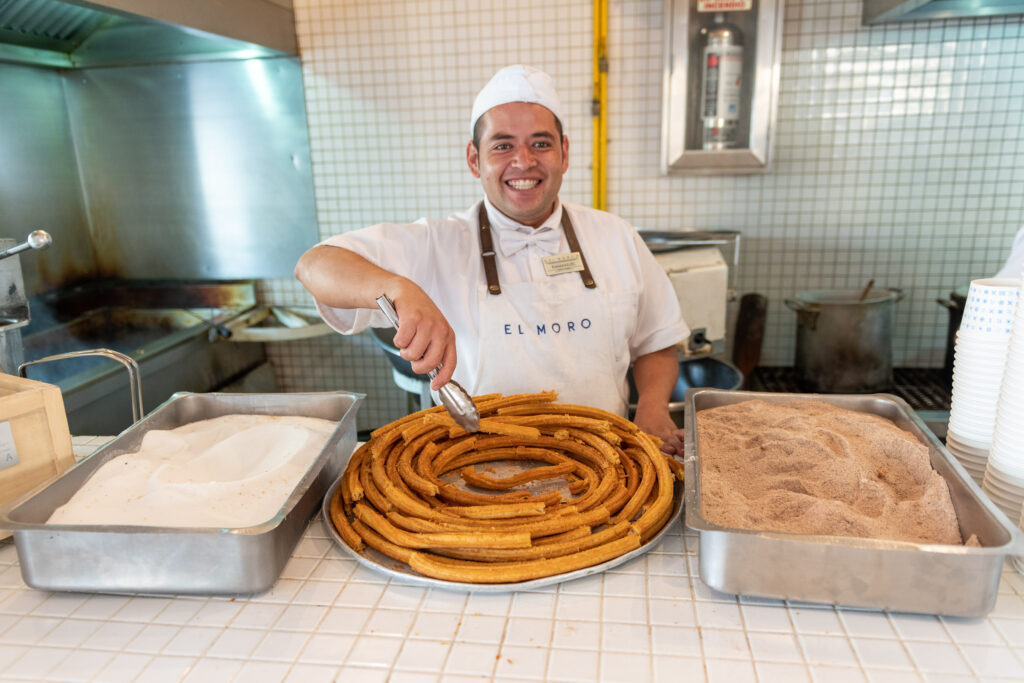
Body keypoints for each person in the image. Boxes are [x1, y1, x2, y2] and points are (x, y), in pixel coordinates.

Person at [295, 65, 690, 453]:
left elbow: (655, 341)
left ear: (565, 153)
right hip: (476, 469)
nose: (523, 161)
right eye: (502, 145)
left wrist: (653, 410)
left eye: (541, 143)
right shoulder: (438, 243)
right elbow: (314, 264)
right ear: (474, 159)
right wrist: (397, 287)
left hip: (608, 464)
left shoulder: (616, 236)